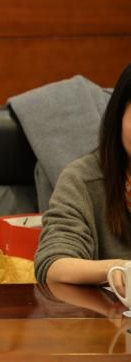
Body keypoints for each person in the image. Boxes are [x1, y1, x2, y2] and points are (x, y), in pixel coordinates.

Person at [35, 63, 131, 297]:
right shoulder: (83, 179)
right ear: (118, 117)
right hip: (108, 316)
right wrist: (118, 268)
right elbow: (53, 265)